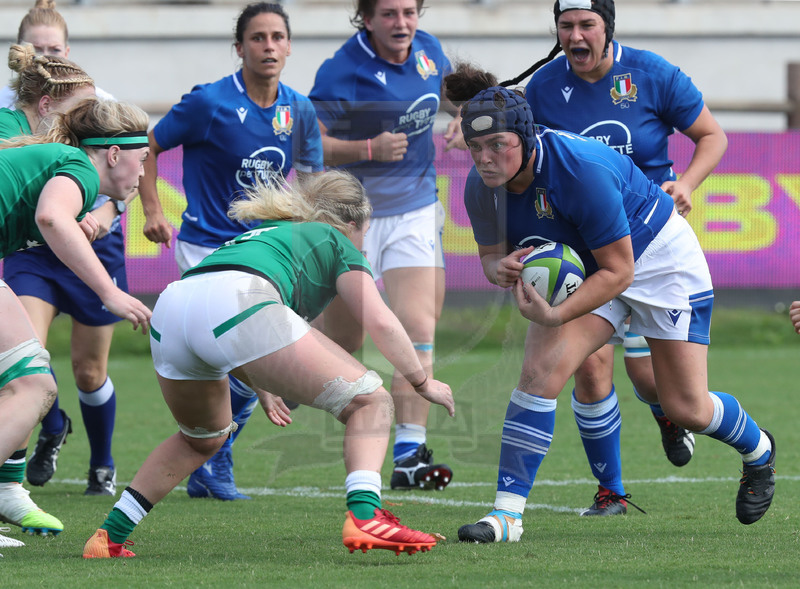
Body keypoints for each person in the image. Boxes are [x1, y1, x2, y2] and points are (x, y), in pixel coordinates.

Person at [442, 73, 775, 543]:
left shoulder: (578, 169)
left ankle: (759, 450)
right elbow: (491, 257)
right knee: (538, 375)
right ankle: (507, 516)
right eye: (476, 147)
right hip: (591, 265)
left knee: (687, 409)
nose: (485, 158)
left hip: (657, 260)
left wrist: (557, 314)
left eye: (498, 144)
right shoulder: (481, 187)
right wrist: (499, 269)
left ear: (527, 136)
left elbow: (620, 273)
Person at [81, 171, 455, 559]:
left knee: (201, 438)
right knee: (372, 402)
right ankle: (366, 516)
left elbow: (228, 312)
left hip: (173, 308)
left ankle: (109, 536)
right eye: (367, 230)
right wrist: (421, 382)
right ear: (351, 224)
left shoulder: (269, 233)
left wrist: (262, 382)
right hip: (239, 303)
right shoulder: (334, 239)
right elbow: (380, 321)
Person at [494, 0, 729, 515]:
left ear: (608, 28)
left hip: (649, 245)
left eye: (586, 25)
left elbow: (713, 135)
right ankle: (612, 492)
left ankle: (670, 415)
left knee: (653, 383)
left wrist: (686, 183)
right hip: (586, 251)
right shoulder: (543, 87)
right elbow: (514, 140)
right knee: (589, 368)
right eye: (565, 26)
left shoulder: (650, 74)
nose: (576, 36)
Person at [137, 2, 324, 501]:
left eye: (277, 37)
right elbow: (149, 147)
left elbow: (310, 184)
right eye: (258, 38)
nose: (269, 46)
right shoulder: (210, 103)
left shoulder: (299, 110)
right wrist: (152, 210)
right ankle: (211, 459)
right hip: (205, 248)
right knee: (240, 355)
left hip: (261, 252)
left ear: (288, 45)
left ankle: (211, 455)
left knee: (264, 363)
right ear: (239, 47)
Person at [308, 0, 462, 491]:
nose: (401, 23)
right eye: (389, 14)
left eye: (408, 12)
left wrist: (465, 117)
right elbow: (309, 142)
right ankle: (283, 377)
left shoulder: (430, 52)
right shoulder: (341, 70)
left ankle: (410, 454)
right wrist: (367, 150)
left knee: (418, 328)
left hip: (416, 207)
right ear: (367, 19)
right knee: (343, 344)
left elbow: (459, 95)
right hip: (356, 216)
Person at [0, 96, 152, 541]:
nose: (144, 176)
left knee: (29, 379)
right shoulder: (80, 168)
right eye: (141, 162)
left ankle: (8, 490)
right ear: (115, 154)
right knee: (34, 384)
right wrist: (110, 292)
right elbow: (50, 216)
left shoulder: (68, 168)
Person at [1, 0, 120, 499]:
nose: (45, 57)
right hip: (36, 250)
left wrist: (100, 217)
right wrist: (113, 296)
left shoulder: (94, 105)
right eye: (38, 49)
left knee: (84, 371)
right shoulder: (24, 130)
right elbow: (49, 214)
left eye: (54, 49)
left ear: (67, 53)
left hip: (84, 246)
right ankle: (13, 491)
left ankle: (100, 463)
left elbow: (122, 184)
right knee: (30, 372)